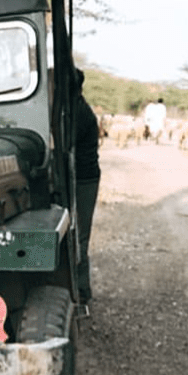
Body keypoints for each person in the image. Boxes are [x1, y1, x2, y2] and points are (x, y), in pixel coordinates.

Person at [75, 70, 101, 308]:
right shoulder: (75, 108)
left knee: (80, 236)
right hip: (79, 177)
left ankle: (82, 291)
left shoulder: (79, 113)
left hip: (84, 179)